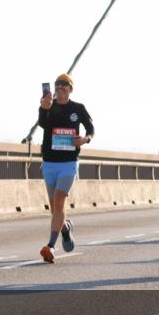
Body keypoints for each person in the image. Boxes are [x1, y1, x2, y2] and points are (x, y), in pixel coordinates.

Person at [37, 74, 94, 263]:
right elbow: (43, 125)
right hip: (49, 162)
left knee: (60, 201)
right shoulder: (47, 105)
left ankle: (51, 246)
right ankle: (65, 228)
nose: (60, 87)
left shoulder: (78, 108)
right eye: (57, 84)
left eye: (64, 85)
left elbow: (91, 129)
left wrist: (86, 139)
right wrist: (44, 109)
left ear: (70, 89)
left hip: (68, 162)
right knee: (54, 208)